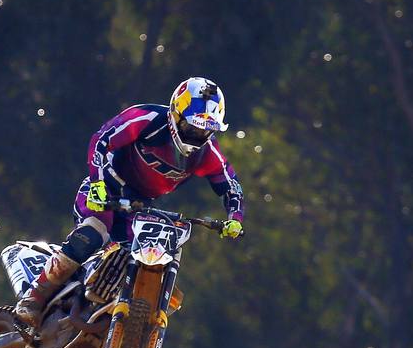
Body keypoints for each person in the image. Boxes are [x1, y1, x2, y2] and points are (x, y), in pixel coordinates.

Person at [14, 76, 246, 325]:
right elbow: (101, 141)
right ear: (176, 115)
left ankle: (112, 317)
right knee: (93, 234)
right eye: (193, 127)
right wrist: (98, 185)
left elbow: (230, 186)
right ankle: (34, 296)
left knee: (151, 255)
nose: (198, 135)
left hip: (140, 208)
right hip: (106, 190)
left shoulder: (207, 154)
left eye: (206, 130)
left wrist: (235, 218)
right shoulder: (146, 119)